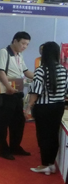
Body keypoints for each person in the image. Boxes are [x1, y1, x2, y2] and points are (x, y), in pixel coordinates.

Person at [26, 41, 67, 175]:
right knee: (53, 135)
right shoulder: (63, 70)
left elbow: (36, 92)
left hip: (44, 107)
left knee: (43, 135)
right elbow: (66, 90)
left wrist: (28, 107)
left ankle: (44, 165)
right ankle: (51, 163)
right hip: (58, 106)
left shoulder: (41, 70)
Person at [0, 31, 35, 160]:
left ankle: (15, 146)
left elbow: (26, 72)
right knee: (3, 122)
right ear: (15, 41)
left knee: (18, 121)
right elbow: (0, 71)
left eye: (27, 44)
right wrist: (8, 86)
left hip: (17, 92)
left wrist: (40, 76)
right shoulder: (4, 52)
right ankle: (3, 149)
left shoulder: (19, 55)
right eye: (23, 43)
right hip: (5, 93)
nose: (25, 46)